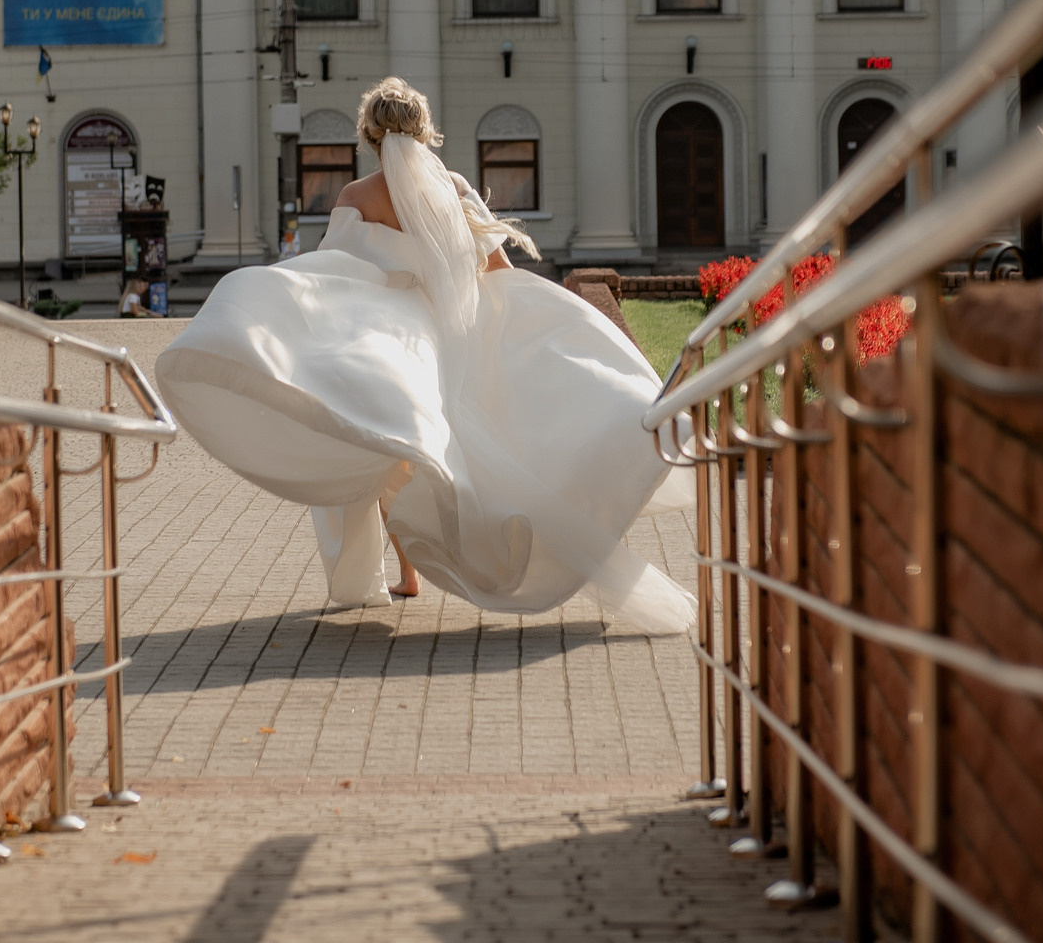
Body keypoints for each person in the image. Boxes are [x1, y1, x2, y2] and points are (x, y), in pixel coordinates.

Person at [159, 78, 695, 633]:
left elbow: (332, 276)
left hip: (388, 340)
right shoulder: (454, 188)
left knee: (385, 451)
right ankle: (440, 560)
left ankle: (404, 573)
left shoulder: (354, 198)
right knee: (436, 449)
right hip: (452, 335)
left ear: (369, 133)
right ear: (424, 128)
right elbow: (498, 272)